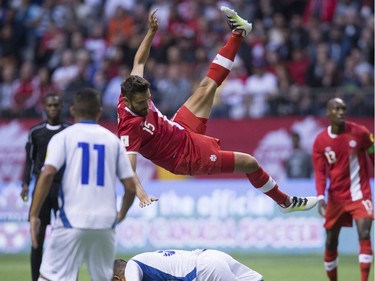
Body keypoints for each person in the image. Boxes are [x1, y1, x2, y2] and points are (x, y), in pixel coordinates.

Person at [117, 7, 318, 213]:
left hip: (179, 128)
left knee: (207, 85)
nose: (146, 105)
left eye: (148, 100)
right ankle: (286, 202)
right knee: (249, 162)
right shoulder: (129, 128)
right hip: (185, 156)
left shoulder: (134, 87)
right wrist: (141, 194)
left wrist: (151, 32)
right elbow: (128, 169)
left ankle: (239, 33)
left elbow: (139, 61)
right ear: (127, 101)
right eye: (142, 104)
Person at [29, 88, 156, 281]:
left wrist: (34, 214)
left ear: (72, 111)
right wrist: (120, 214)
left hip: (72, 220)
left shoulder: (63, 137)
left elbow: (46, 174)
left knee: (49, 277)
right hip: (105, 223)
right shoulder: (112, 141)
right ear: (99, 112)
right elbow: (130, 186)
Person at [312, 97, 374, 281]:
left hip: (360, 194)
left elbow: (373, 153)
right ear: (328, 113)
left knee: (364, 233)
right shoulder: (321, 141)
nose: (341, 112)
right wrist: (320, 197)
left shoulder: (360, 133)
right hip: (336, 198)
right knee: (331, 242)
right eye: (337, 109)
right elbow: (320, 173)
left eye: (343, 109)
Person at [20, 92, 70, 281]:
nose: (53, 109)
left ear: (61, 107)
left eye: (56, 105)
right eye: (50, 105)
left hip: (63, 187)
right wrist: (25, 183)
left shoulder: (69, 131)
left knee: (65, 235)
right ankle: (35, 278)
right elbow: (29, 161)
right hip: (41, 188)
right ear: (44, 108)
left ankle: (63, 276)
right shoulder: (36, 132)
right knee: (37, 236)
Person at [112, 249, 264, 281]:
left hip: (204, 271)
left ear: (118, 279)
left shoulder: (132, 266)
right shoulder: (144, 262)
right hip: (211, 255)